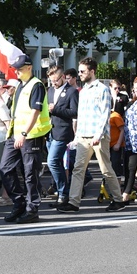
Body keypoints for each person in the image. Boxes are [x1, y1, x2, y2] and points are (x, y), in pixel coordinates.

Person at [56, 57, 125, 213]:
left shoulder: (102, 89)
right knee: (78, 169)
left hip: (98, 136)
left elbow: (104, 114)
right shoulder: (84, 90)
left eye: (82, 71)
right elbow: (81, 115)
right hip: (83, 136)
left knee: (106, 169)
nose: (79, 74)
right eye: (79, 71)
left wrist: (98, 135)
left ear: (92, 71)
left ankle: (118, 200)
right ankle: (73, 202)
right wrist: (77, 137)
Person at [0, 54, 51, 224]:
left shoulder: (36, 85)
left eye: (20, 69)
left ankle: (32, 209)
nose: (17, 72)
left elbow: (35, 112)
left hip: (31, 136)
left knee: (30, 174)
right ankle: (19, 202)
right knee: (5, 168)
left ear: (29, 67)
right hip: (15, 134)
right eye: (16, 69)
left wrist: (24, 133)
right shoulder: (21, 86)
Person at [45, 65, 78, 206]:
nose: (53, 83)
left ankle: (64, 192)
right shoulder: (50, 90)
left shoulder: (72, 91)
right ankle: (62, 193)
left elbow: (74, 112)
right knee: (56, 163)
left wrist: (56, 109)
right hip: (50, 131)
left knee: (52, 161)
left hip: (63, 132)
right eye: (51, 81)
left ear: (63, 77)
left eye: (56, 80)